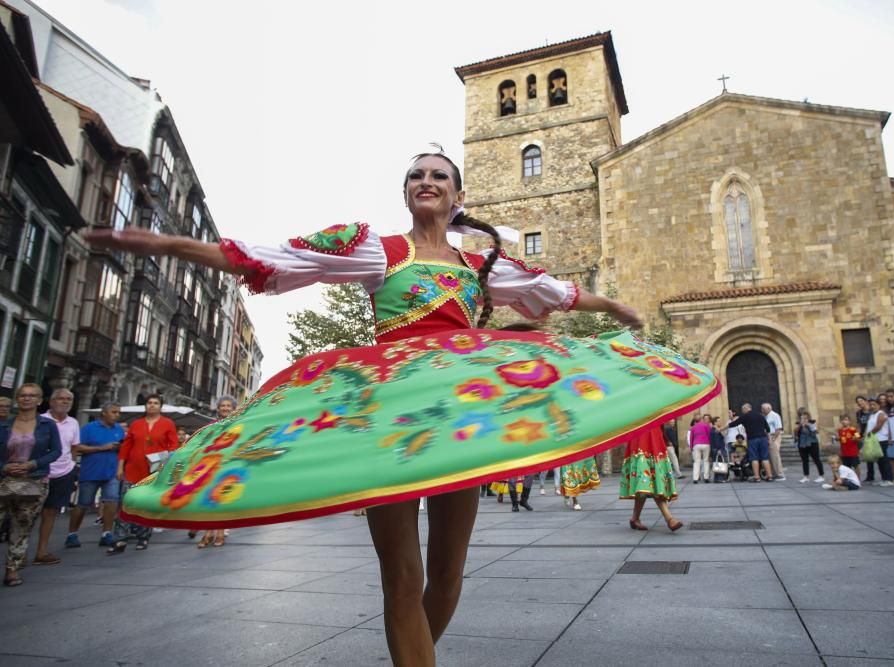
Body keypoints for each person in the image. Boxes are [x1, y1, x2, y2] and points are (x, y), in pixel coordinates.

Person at [85, 150, 716, 667]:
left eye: (438, 174)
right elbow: (272, 257)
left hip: (461, 417)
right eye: (416, 175)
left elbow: (554, 291)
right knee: (402, 577)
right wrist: (167, 244)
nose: (426, 181)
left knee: (447, 573)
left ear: (457, 193)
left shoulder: (481, 265)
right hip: (385, 419)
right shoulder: (375, 249)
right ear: (406, 192)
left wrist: (616, 311)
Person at [0, 384, 62, 586]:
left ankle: (12, 569)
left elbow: (56, 451)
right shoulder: (4, 425)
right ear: (17, 399)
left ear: (39, 400)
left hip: (34, 480)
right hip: (4, 480)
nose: (27, 399)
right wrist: (5, 467)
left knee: (22, 526)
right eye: (23, 396)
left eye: (32, 396)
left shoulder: (47, 425)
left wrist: (32, 464)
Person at [107, 394, 178, 554]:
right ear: (145, 406)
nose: (152, 405)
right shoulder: (136, 424)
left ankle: (143, 536)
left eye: (155, 403)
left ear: (160, 407)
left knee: (146, 505)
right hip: (132, 469)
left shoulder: (168, 424)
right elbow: (126, 446)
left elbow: (173, 447)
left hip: (153, 472)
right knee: (126, 504)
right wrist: (120, 467)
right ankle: (120, 539)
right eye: (149, 403)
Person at [66, 402, 125, 548]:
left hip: (111, 471)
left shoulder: (119, 429)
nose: (117, 415)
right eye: (114, 412)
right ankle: (72, 534)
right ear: (104, 413)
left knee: (112, 501)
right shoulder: (89, 428)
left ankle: (106, 533)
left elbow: (123, 449)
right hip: (91, 472)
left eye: (118, 412)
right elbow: (78, 447)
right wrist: (101, 448)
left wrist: (120, 461)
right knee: (83, 504)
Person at [33, 388, 81, 565]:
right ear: (51, 401)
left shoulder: (73, 423)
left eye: (69, 399)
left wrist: (72, 466)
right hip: (39, 472)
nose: (65, 401)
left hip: (63, 472)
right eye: (61, 398)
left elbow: (74, 447)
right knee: (27, 514)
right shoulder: (40, 421)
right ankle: (19, 553)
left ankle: (42, 550)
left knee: (50, 512)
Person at [195, 395, 238, 548]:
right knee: (209, 499)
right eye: (223, 406)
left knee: (221, 499)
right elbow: (204, 444)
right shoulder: (211, 425)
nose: (225, 408)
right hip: (211, 465)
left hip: (228, 465)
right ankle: (207, 532)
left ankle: (220, 533)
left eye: (228, 406)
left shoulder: (238, 425)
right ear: (218, 408)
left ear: (234, 409)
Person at [620, 429, 683, 531]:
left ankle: (635, 518)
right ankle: (669, 519)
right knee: (652, 482)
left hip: (654, 440)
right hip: (641, 440)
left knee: (645, 487)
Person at [728, 403, 773, 482]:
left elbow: (733, 424)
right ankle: (769, 476)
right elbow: (767, 428)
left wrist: (720, 429)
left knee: (754, 458)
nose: (742, 411)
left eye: (742, 410)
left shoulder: (745, 417)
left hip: (753, 439)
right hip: (763, 438)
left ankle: (757, 477)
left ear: (746, 408)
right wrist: (769, 440)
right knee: (765, 458)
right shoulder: (760, 415)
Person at [866, 396, 894, 486]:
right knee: (880, 460)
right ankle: (884, 478)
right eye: (870, 405)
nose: (872, 406)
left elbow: (878, 426)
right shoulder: (872, 415)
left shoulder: (881, 414)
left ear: (879, 405)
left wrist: (870, 434)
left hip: (882, 439)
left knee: (884, 460)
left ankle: (889, 479)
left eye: (874, 404)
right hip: (875, 440)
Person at [794, 412, 824, 483]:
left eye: (805, 418)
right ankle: (806, 476)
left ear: (808, 418)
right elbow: (795, 432)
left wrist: (808, 425)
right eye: (802, 418)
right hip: (802, 444)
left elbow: (816, 432)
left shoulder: (812, 424)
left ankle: (821, 475)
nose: (804, 420)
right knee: (804, 460)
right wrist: (800, 426)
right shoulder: (800, 425)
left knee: (816, 459)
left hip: (812, 443)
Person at [761, 403, 786, 481]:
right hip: (768, 436)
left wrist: (773, 438)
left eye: (763, 409)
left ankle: (780, 474)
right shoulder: (765, 416)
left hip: (773, 436)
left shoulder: (775, 415)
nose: (762, 410)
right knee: (770, 456)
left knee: (775, 455)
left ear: (768, 408)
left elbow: (778, 428)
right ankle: (774, 473)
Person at [689, 414, 713, 483]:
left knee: (697, 461)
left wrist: (691, 447)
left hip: (696, 444)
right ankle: (706, 477)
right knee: (706, 460)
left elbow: (691, 438)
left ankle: (695, 478)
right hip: (706, 443)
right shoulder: (706, 425)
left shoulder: (693, 427)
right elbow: (709, 434)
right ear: (701, 419)